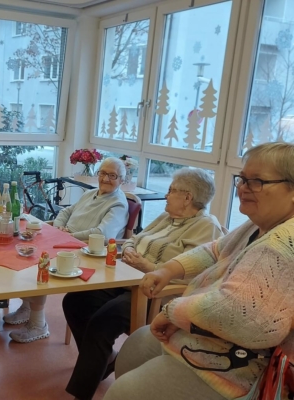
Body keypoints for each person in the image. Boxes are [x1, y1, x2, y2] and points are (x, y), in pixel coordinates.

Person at [104, 142, 294, 400]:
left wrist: (172, 313)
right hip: (209, 339)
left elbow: (239, 316)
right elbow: (215, 250)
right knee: (137, 347)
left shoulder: (281, 245)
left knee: (123, 392)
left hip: (238, 368)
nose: (242, 187)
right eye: (242, 179)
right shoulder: (256, 225)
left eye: (257, 181)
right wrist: (168, 270)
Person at [63, 167, 224, 400]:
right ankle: (104, 360)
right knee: (75, 301)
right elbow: (135, 239)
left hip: (157, 294)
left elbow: (195, 276)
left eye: (171, 190)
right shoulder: (167, 217)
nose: (166, 195)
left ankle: (81, 393)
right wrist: (130, 251)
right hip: (128, 280)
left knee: (103, 321)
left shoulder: (206, 227)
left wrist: (148, 266)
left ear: (188, 197)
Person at [4, 157, 129, 344]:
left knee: (39, 260)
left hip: (86, 251)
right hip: (67, 240)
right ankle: (28, 306)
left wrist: (69, 235)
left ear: (122, 180)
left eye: (112, 176)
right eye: (102, 173)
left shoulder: (118, 204)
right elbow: (65, 211)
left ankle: (38, 324)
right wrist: (59, 228)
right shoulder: (91, 193)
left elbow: (102, 234)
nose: (105, 179)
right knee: (24, 251)